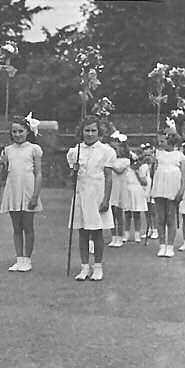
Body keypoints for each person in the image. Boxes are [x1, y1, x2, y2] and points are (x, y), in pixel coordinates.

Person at [67, 116, 115, 281]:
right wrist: (74, 170)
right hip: (82, 194)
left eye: (93, 130)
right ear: (81, 132)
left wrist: (106, 199)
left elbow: (108, 177)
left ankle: (98, 267)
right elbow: (72, 179)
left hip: (97, 194)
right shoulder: (75, 151)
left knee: (96, 233)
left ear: (99, 132)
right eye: (86, 130)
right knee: (82, 232)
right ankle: (84, 267)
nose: (89, 133)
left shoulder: (106, 151)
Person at [0, 115, 43, 272]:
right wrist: (3, 164)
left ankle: (27, 259)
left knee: (28, 226)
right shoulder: (8, 150)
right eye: (14, 132)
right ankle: (19, 259)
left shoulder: (34, 149)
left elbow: (38, 174)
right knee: (16, 227)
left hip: (28, 190)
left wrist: (35, 195)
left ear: (27, 131)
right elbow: (3, 177)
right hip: (13, 189)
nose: (18, 134)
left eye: (21, 131)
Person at [151, 130, 185, 257]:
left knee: (171, 219)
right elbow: (153, 173)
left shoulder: (180, 156)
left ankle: (170, 246)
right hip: (160, 188)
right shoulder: (158, 154)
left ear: (170, 141)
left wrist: (181, 190)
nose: (160, 143)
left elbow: (183, 176)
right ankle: (162, 245)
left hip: (173, 189)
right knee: (161, 218)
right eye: (159, 141)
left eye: (163, 141)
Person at [122, 150, 148, 243]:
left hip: (137, 191)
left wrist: (137, 173)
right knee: (127, 214)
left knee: (136, 214)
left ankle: (137, 234)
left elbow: (144, 182)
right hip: (128, 190)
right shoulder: (126, 169)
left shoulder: (140, 169)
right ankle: (126, 234)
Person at [108, 137, 130, 247]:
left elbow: (119, 170)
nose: (116, 151)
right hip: (111, 188)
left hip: (120, 189)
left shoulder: (126, 161)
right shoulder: (111, 160)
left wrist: (108, 163)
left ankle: (120, 237)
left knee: (118, 213)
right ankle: (113, 237)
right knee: (111, 214)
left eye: (117, 148)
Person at [140, 143, 159, 239]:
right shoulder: (143, 166)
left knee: (154, 211)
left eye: (149, 155)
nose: (147, 157)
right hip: (145, 190)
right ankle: (149, 228)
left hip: (153, 189)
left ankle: (156, 230)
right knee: (146, 211)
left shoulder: (155, 166)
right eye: (145, 155)